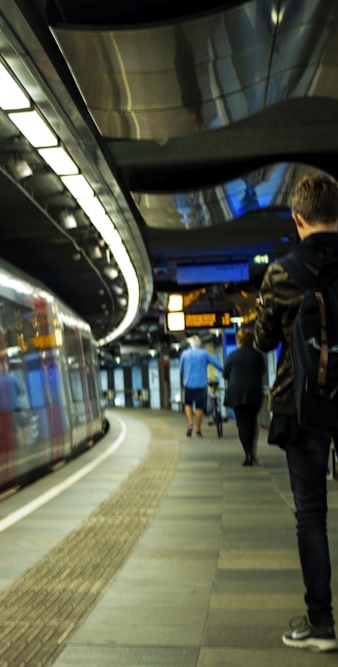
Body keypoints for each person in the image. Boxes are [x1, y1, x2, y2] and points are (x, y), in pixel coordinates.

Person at [255, 171, 338, 652]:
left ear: (298, 217)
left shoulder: (282, 271)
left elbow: (265, 338)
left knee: (311, 514)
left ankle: (321, 623)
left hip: (301, 401)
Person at [223, 328, 266, 466]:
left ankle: (247, 453)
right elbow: (263, 372)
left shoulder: (232, 356)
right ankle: (252, 452)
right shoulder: (258, 356)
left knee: (242, 423)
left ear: (239, 341)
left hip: (237, 393)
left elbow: (225, 374)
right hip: (254, 391)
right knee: (252, 421)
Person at [179, 335, 223, 437]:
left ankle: (190, 424)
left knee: (188, 404)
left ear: (190, 345)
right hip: (201, 384)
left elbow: (181, 370)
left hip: (188, 384)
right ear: (200, 345)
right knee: (199, 407)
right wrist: (226, 373)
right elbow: (218, 365)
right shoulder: (204, 354)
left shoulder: (184, 354)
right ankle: (198, 430)